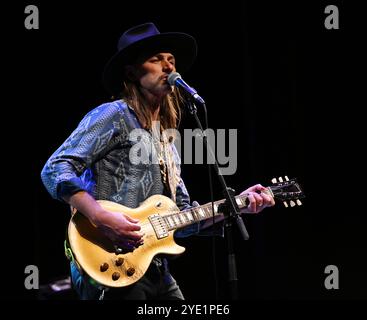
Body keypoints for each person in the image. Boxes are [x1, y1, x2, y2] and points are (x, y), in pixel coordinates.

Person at [41, 22, 275, 300]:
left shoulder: (167, 140)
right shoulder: (113, 115)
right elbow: (55, 168)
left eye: (171, 60)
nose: (168, 67)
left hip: (153, 268)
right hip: (109, 262)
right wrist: (100, 216)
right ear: (132, 72)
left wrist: (237, 206)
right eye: (156, 60)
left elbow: (183, 218)